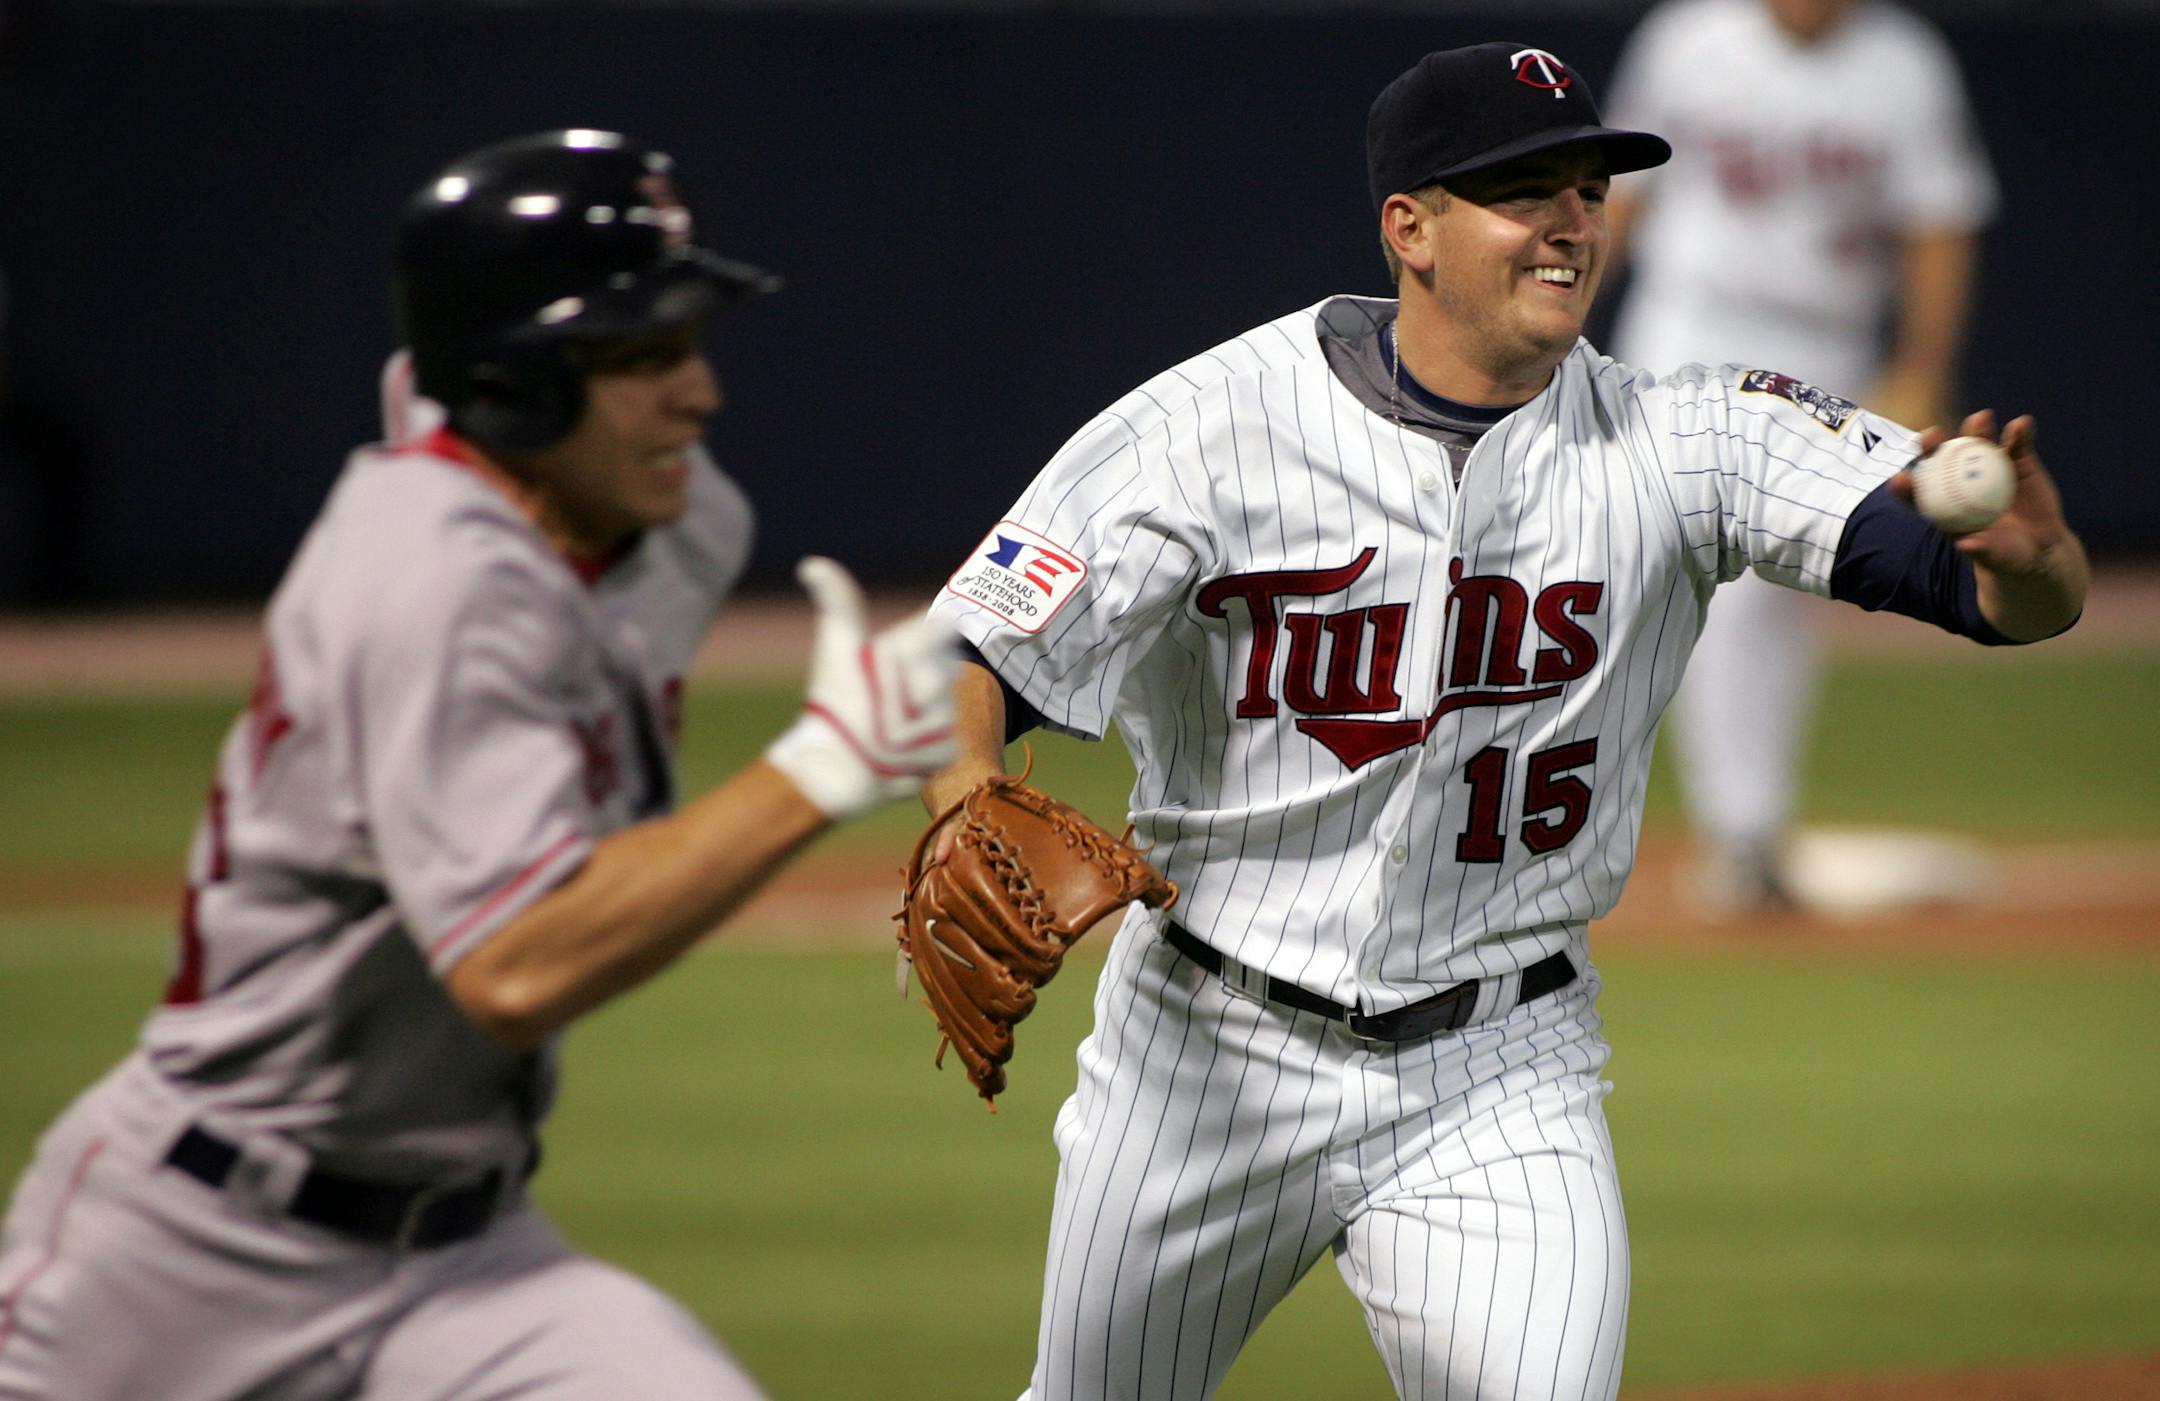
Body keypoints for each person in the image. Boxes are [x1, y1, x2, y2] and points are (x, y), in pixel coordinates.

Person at [917, 42, 2084, 1401]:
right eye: (1520, 190)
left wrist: (2033, 560)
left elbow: (2003, 594)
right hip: (1201, 1059)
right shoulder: (1203, 429)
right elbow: (977, 646)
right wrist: (959, 787)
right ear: (1407, 227)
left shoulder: (1683, 437)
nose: (1569, 221)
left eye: (1586, 189)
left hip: (1501, 1070)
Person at [0, 129, 956, 1400]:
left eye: (690, 344)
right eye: (641, 355)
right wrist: (824, 768)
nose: (698, 395)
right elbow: (517, 964)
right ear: (513, 385)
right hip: (186, 1262)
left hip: (465, 1262)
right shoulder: (433, 581)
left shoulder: (648, 526)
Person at [1604, 0, 2001, 911]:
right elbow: (1621, 196)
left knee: (1788, 594)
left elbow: (1940, 223)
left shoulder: (1903, 62)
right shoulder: (1689, 38)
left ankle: (1749, 829)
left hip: (1828, 346)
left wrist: (1919, 365)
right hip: (1690, 326)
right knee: (1715, 585)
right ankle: (1738, 831)